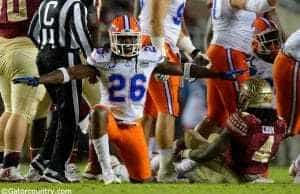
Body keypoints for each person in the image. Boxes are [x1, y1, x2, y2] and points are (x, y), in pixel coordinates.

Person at [14, 14, 243, 183]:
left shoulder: (148, 55)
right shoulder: (102, 57)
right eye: (121, 39)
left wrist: (217, 74)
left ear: (137, 39)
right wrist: (41, 79)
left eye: (129, 39)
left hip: (133, 126)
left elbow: (181, 69)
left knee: (142, 178)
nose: (125, 44)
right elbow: (73, 72)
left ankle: (181, 162)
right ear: (112, 39)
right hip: (109, 121)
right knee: (100, 111)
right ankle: (106, 172)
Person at [139, 0, 210, 182]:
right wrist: (159, 56)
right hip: (157, 46)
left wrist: (192, 52)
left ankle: (140, 166)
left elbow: (175, 21)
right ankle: (165, 170)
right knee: (167, 109)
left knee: (147, 111)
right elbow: (155, 21)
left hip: (150, 43)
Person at [25, 0, 95, 183]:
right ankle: (56, 169)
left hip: (43, 56)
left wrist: (48, 48)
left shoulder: (45, 3)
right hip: (65, 58)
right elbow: (81, 34)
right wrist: (92, 60)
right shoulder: (75, 4)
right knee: (70, 115)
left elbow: (32, 32)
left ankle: (42, 161)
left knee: (60, 111)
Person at [175, 78, 287, 183]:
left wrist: (184, 153)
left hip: (238, 175)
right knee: (216, 138)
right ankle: (194, 171)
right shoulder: (280, 124)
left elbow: (208, 153)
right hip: (260, 172)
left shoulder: (244, 119)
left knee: (192, 136)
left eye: (244, 96)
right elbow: (271, 154)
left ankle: (181, 168)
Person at [201, 0, 278, 137]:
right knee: (241, 115)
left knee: (215, 117)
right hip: (229, 53)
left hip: (221, 52)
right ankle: (237, 157)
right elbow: (260, 6)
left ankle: (183, 153)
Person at [0, 0, 51, 181]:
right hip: (26, 49)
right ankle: (9, 166)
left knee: (10, 110)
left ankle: (2, 163)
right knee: (21, 113)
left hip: (2, 44)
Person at [272, 29, 300, 183]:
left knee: (284, 126)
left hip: (291, 62)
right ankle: (240, 158)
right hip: (292, 64)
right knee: (285, 127)